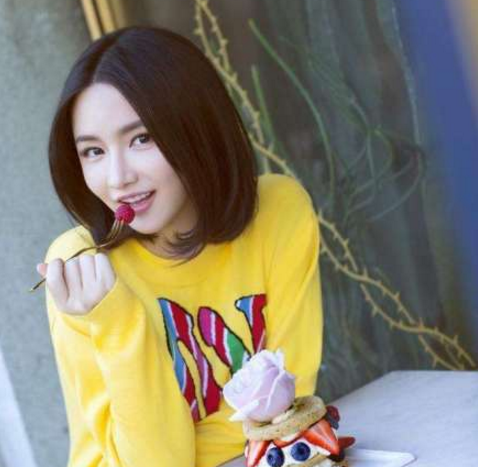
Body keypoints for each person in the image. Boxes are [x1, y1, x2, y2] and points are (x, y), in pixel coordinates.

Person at [37, 25, 324, 467]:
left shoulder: (278, 212)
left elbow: (290, 406)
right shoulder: (79, 268)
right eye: (93, 151)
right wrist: (116, 321)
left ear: (198, 127)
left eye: (141, 139)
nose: (117, 178)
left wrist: (189, 447)